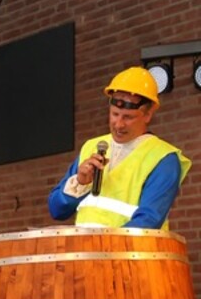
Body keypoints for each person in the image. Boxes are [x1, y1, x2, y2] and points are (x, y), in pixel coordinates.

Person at [48, 67, 191, 229]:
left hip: (129, 247)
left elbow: (148, 221)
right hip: (86, 246)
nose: (119, 124)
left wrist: (103, 243)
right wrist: (80, 183)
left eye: (128, 117)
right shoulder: (91, 147)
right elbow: (56, 210)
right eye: (115, 114)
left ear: (148, 115)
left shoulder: (164, 158)